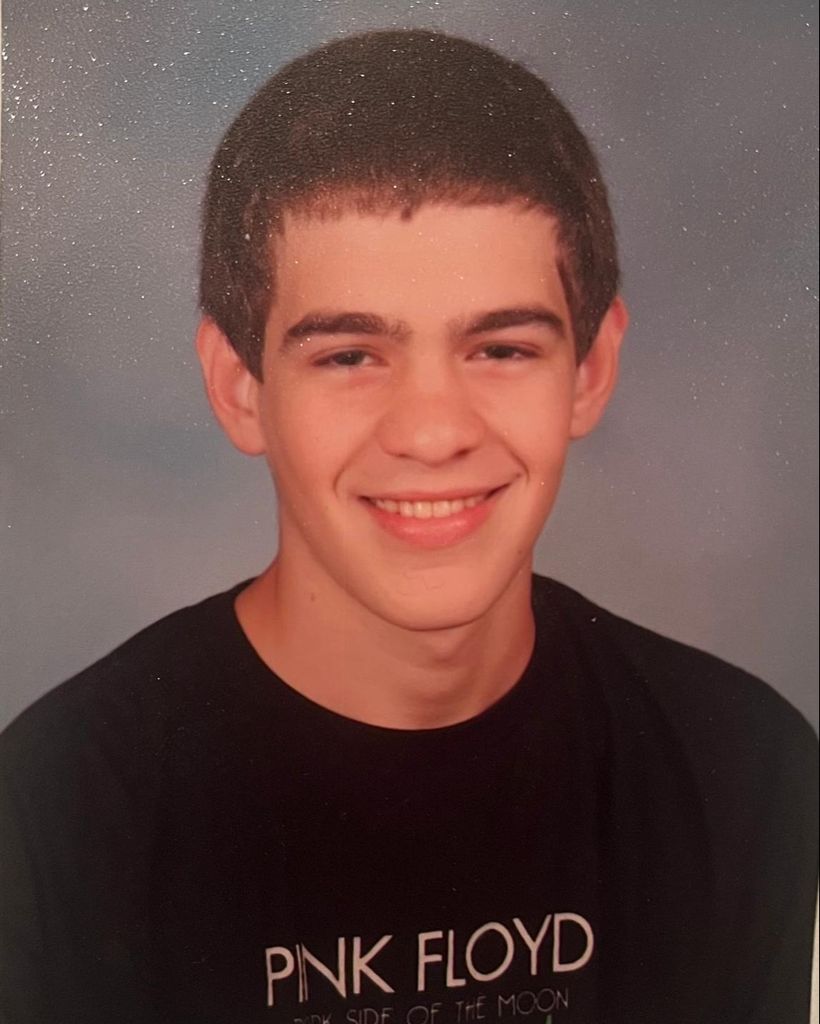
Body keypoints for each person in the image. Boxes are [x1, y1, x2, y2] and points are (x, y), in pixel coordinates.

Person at [0, 29, 816, 1024]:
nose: (432, 433)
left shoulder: (742, 769)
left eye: (501, 349)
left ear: (591, 369)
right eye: (349, 356)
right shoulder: (50, 819)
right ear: (241, 387)